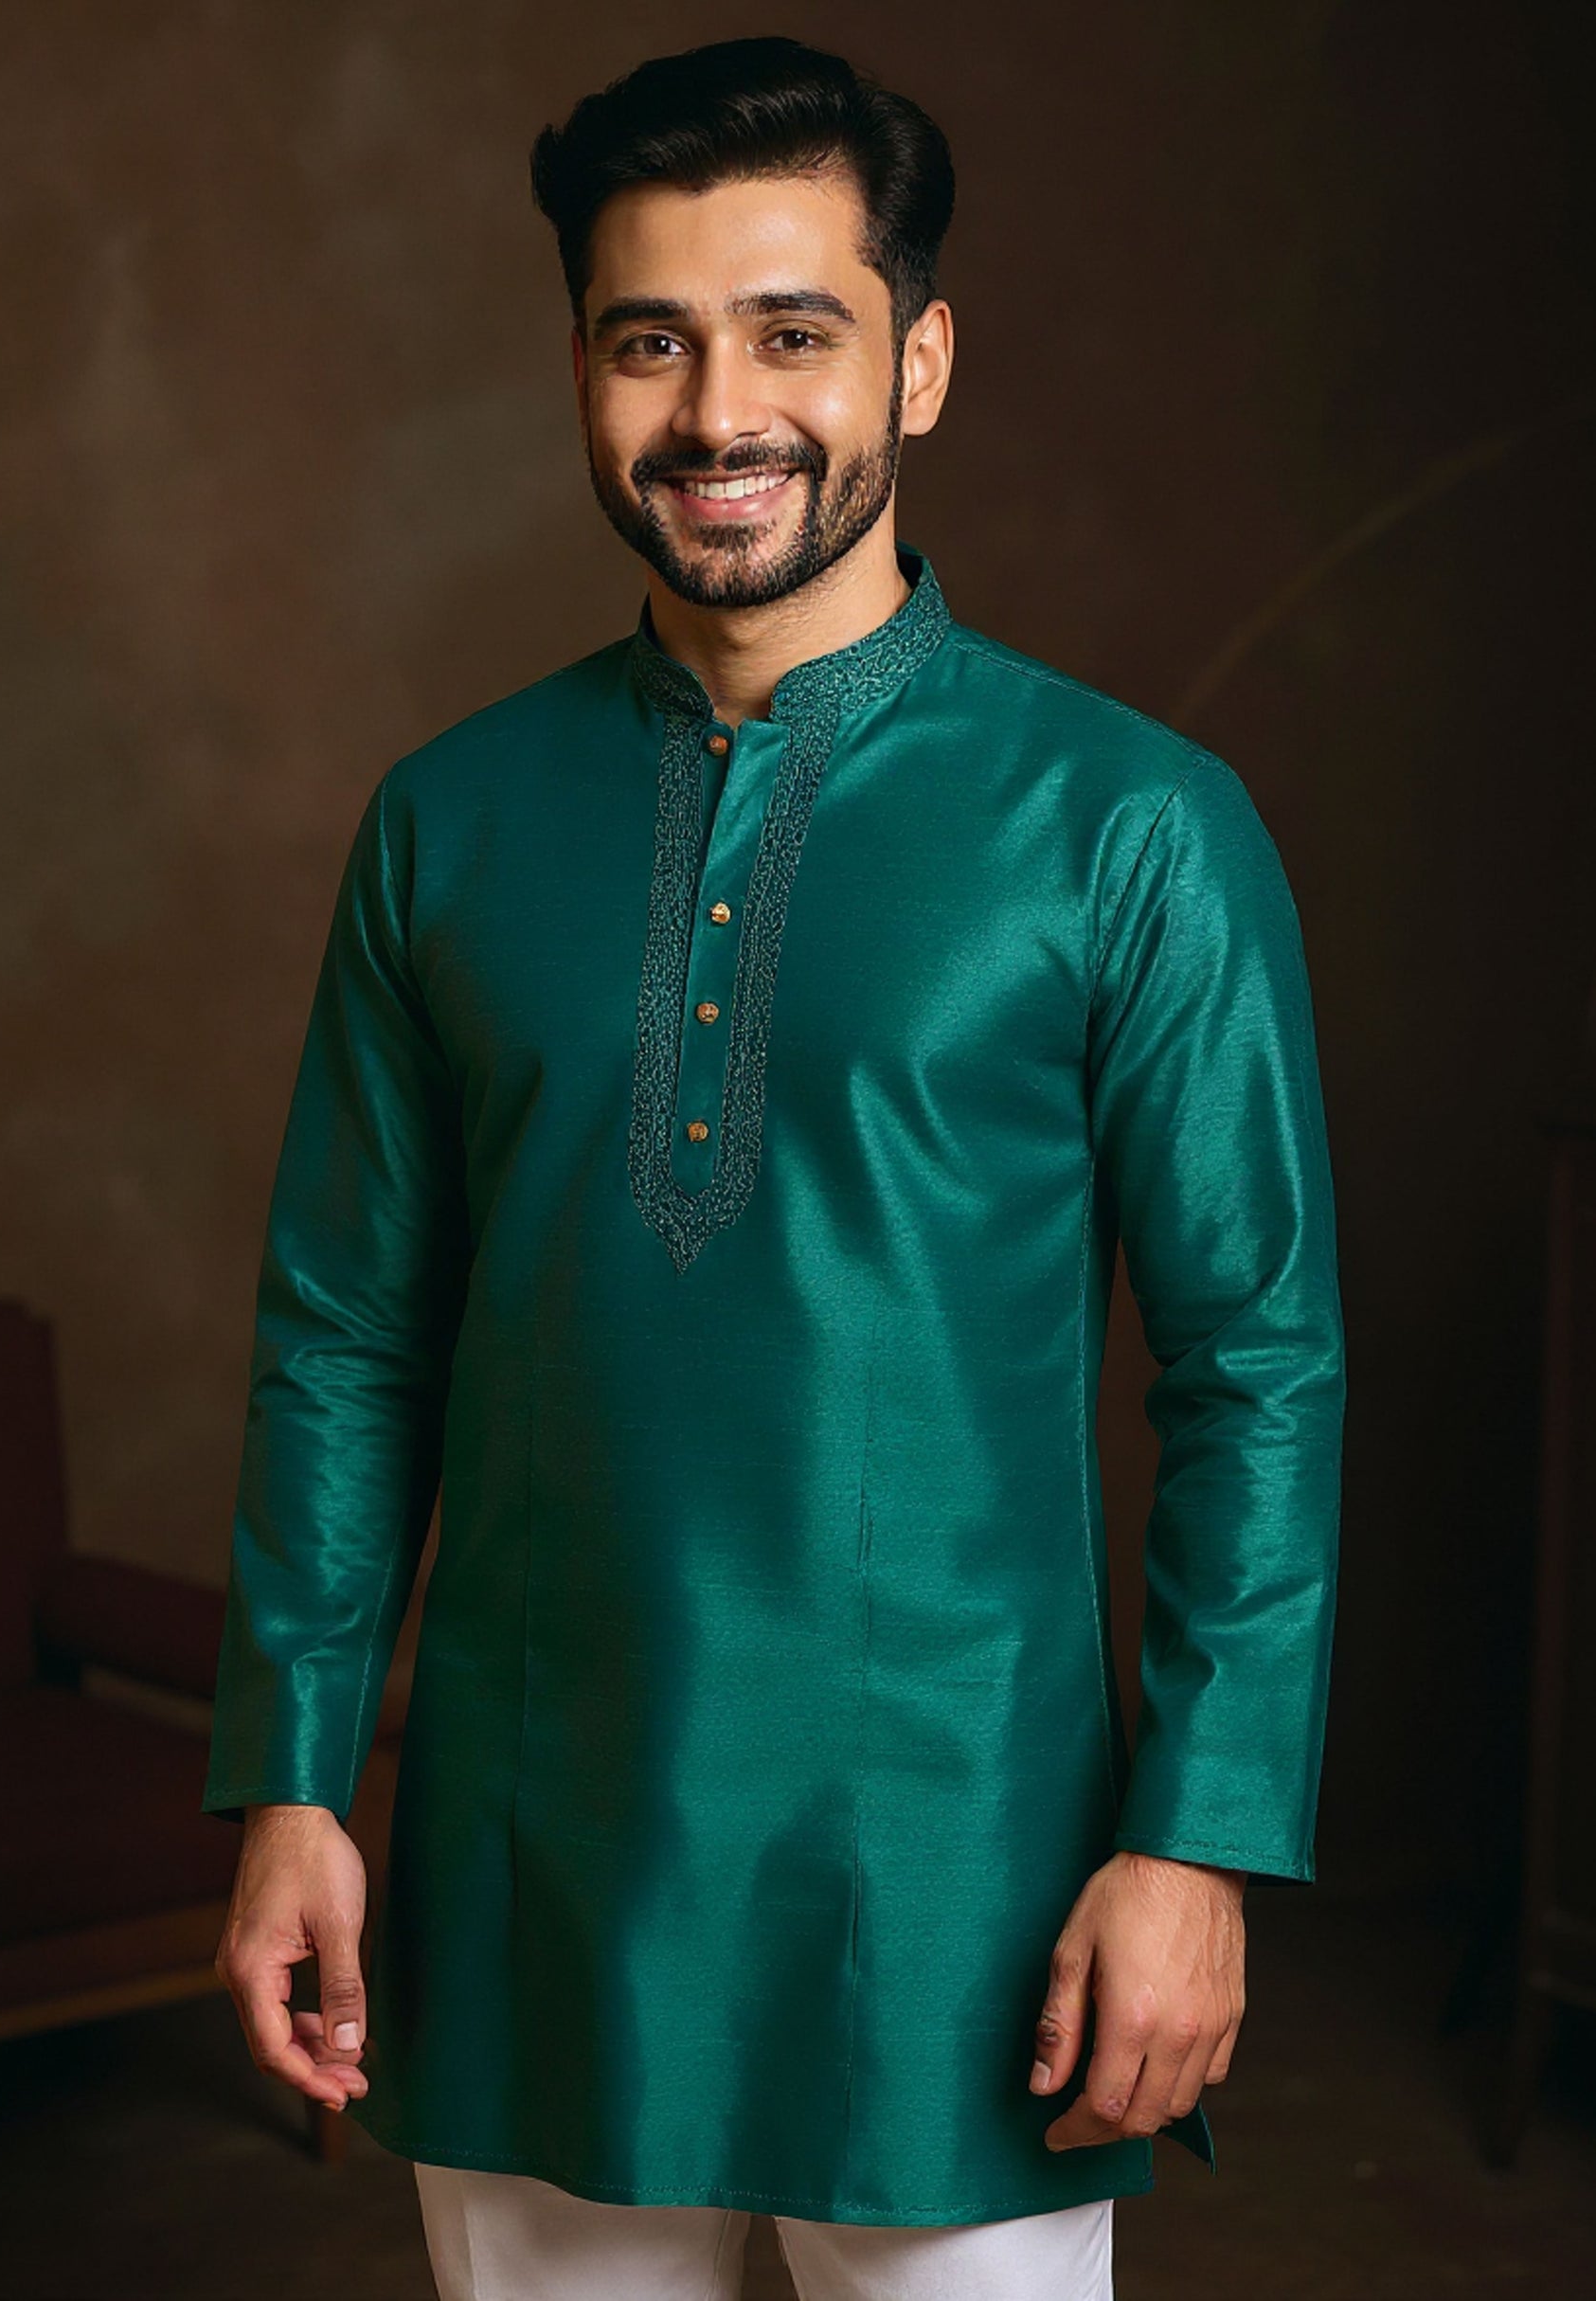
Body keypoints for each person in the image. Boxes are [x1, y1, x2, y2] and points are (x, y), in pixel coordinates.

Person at [202, 33, 1345, 2300]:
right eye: (652, 339)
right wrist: (294, 1778)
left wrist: (1196, 1843)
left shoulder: (1126, 824)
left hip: (961, 1884)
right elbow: (346, 1334)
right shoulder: (448, 818)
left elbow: (1258, 1365)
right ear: (582, 373)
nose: (719, 410)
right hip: (532, 1872)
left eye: (792, 331)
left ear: (918, 361)